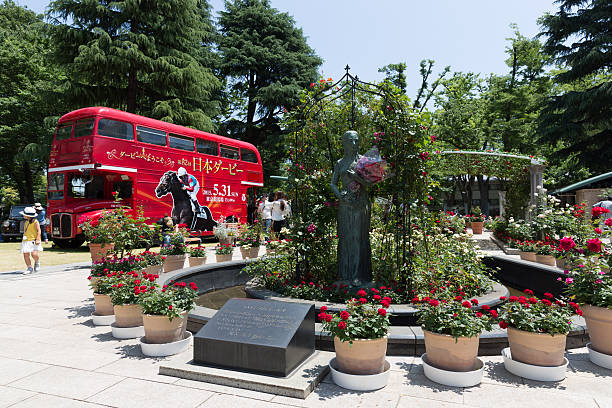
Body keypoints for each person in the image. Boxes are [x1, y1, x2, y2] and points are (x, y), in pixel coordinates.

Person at [331, 130, 373, 285]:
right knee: (345, 238)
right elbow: (333, 183)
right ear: (344, 142)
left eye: (356, 141)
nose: (354, 144)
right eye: (350, 141)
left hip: (360, 204)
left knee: (357, 238)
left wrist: (356, 177)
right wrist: (339, 195)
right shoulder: (340, 162)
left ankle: (357, 275)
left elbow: (370, 183)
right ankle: (344, 273)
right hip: (345, 205)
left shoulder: (364, 161)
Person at [20, 207, 43, 274]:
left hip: (34, 240)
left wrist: (38, 239)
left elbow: (39, 231)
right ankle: (29, 267)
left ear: (28, 216)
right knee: (25, 255)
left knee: (34, 254)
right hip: (26, 240)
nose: (23, 215)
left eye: (24, 214)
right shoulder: (26, 222)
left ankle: (37, 261)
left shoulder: (35, 222)